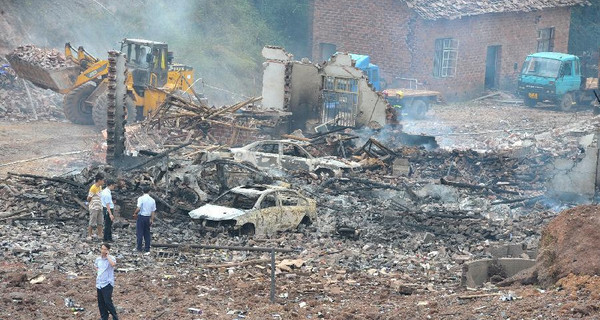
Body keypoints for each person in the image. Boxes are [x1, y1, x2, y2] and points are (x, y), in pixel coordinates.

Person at [95, 243, 118, 320]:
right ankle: (104, 317)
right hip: (99, 283)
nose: (103, 251)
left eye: (105, 249)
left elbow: (113, 264)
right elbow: (96, 266)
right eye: (102, 249)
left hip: (107, 283)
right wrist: (99, 273)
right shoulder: (98, 259)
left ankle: (115, 317)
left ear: (108, 250)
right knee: (101, 302)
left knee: (108, 302)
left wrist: (107, 256)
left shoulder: (111, 258)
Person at [133, 186, 156, 253]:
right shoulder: (152, 200)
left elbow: (138, 208)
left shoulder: (141, 198)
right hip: (147, 217)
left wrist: (135, 213)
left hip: (141, 217)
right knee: (147, 233)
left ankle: (139, 247)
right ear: (149, 191)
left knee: (140, 232)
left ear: (142, 191)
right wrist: (152, 219)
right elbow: (153, 211)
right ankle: (147, 248)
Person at [87, 174, 104, 240]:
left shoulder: (100, 187)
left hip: (99, 206)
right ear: (99, 180)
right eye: (102, 180)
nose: (103, 182)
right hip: (94, 207)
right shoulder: (93, 188)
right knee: (92, 221)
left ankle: (100, 234)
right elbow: (88, 198)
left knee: (100, 221)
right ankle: (89, 235)